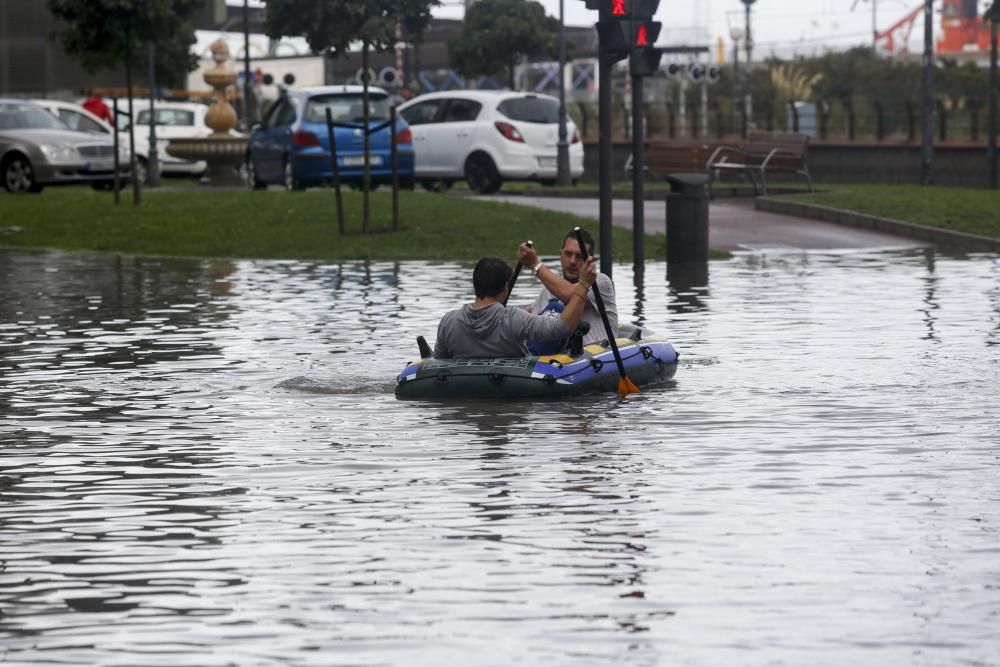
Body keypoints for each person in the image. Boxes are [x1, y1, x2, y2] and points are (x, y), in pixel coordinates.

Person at [434, 255, 598, 359]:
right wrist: (583, 284)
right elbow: (562, 327)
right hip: (514, 388)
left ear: (475, 284)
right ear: (505, 288)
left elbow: (438, 363)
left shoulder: (449, 321)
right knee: (555, 307)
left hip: (463, 395)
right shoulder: (514, 318)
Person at [518, 227, 618, 350]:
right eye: (568, 254)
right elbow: (529, 321)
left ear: (590, 261)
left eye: (579, 256)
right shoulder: (550, 289)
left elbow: (572, 295)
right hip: (558, 362)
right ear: (560, 254)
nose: (572, 261)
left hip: (596, 360)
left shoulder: (600, 282)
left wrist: (535, 265)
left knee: (556, 307)